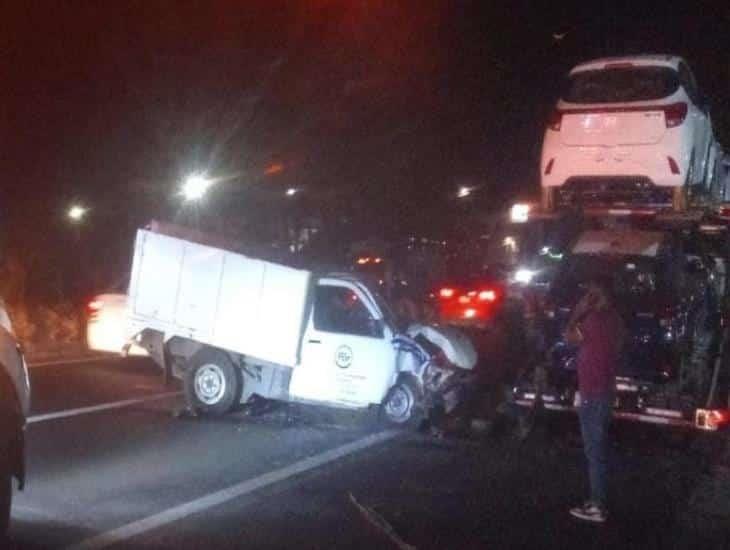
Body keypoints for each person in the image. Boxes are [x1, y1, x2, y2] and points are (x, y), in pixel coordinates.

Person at [564, 276, 624, 523]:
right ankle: (596, 498)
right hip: (604, 389)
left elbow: (569, 336)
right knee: (597, 449)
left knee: (594, 451)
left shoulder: (592, 320)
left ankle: (598, 505)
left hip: (593, 392)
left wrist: (578, 311)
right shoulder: (615, 320)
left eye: (589, 293)